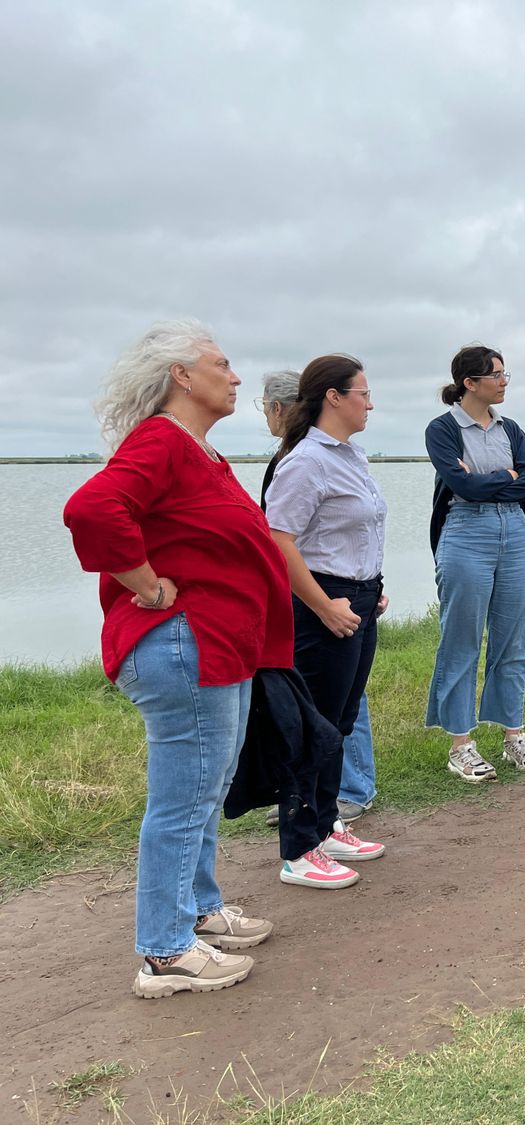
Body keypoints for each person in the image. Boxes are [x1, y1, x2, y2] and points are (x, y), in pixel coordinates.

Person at [63, 320, 288, 997]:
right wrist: (147, 584)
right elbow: (93, 508)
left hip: (217, 643)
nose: (237, 376)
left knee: (205, 787)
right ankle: (164, 951)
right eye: (222, 363)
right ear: (182, 376)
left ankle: (199, 910)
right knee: (184, 796)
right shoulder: (163, 439)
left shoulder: (198, 451)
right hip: (184, 642)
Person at [264, 354, 388, 888]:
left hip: (356, 598)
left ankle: (327, 824)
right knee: (311, 727)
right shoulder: (305, 461)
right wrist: (323, 603)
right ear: (333, 397)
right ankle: (299, 848)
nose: (370, 402)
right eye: (362, 392)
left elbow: (355, 530)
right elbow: (278, 540)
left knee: (339, 721)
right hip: (324, 605)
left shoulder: (350, 455)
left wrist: (370, 588)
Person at [424, 345, 525, 782]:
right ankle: (461, 745)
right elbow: (461, 487)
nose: (504, 380)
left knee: (514, 638)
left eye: (504, 373)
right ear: (469, 383)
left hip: (515, 534)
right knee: (461, 640)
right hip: (465, 534)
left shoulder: (510, 429)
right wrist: (503, 478)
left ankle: (514, 735)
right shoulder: (443, 429)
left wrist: (489, 480)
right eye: (496, 374)